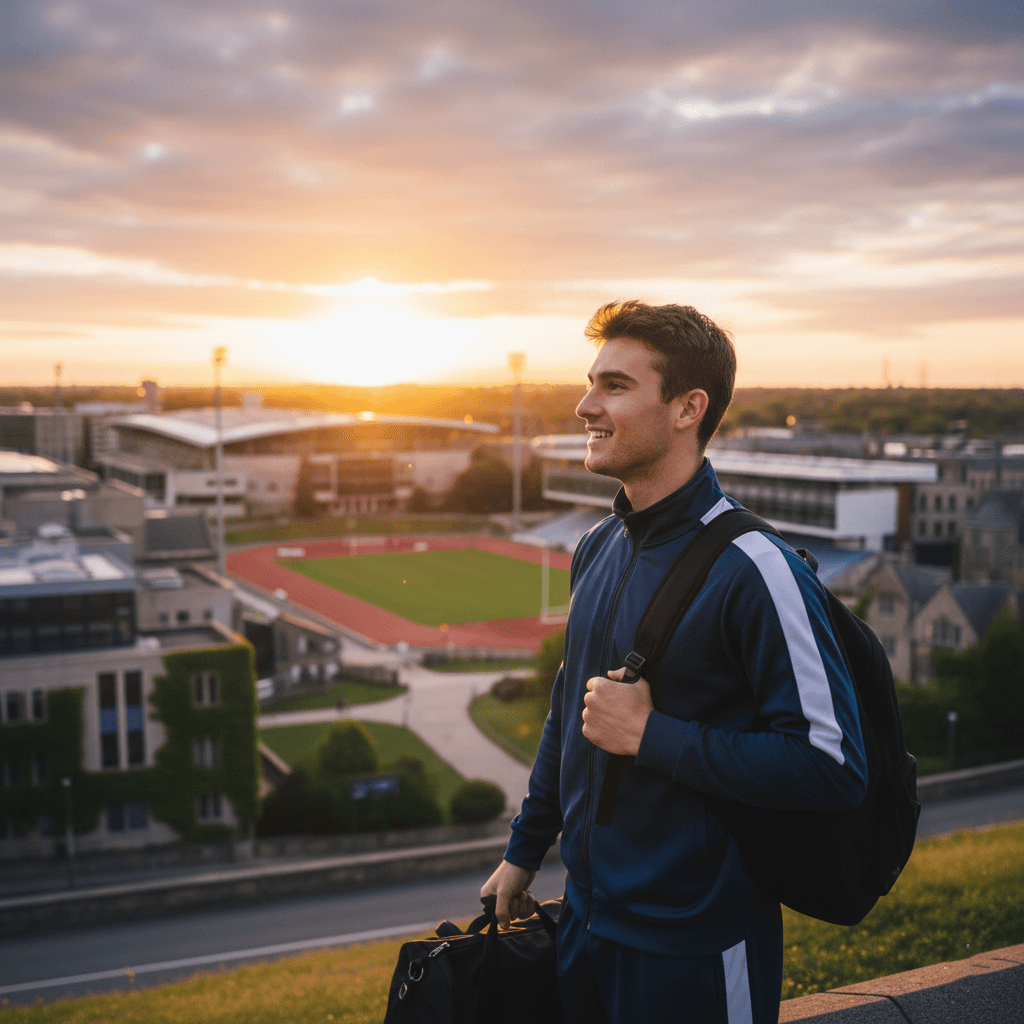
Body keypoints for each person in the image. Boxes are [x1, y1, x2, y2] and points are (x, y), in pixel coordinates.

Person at [481, 301, 868, 1024]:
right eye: (591, 382)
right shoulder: (598, 546)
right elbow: (575, 711)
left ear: (689, 407)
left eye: (616, 387)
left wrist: (652, 734)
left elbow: (834, 764)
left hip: (697, 942)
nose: (584, 405)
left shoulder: (758, 568)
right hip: (587, 925)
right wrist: (525, 849)